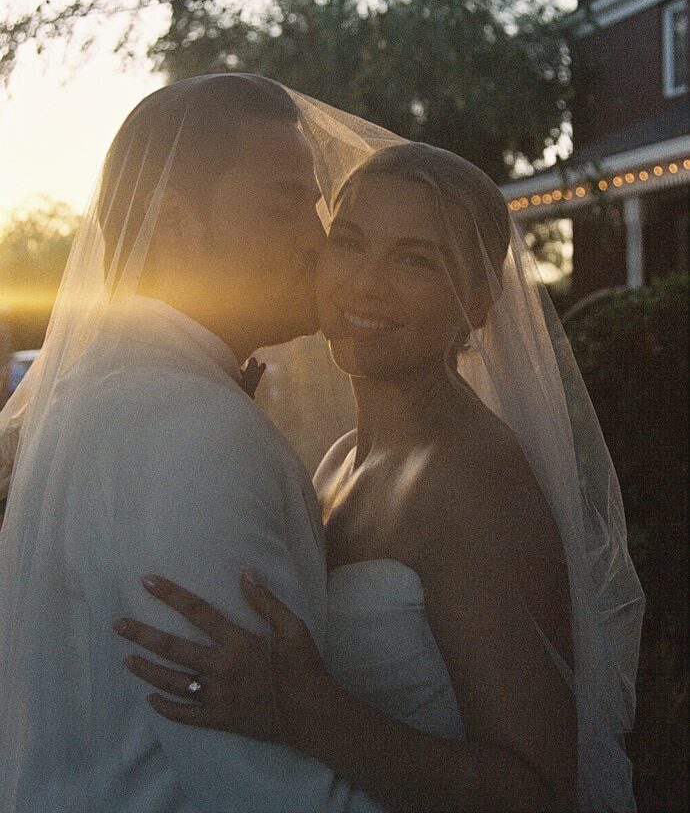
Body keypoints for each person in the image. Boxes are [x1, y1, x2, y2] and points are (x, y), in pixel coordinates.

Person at [115, 142, 645, 813]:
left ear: (479, 300)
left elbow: (537, 790)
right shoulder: (340, 459)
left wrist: (306, 716)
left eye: (415, 259)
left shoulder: (465, 479)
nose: (365, 283)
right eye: (349, 243)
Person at [0, 74, 385, 813]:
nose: (319, 238)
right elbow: (261, 786)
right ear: (174, 224)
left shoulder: (94, 390)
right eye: (285, 207)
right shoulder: (191, 433)